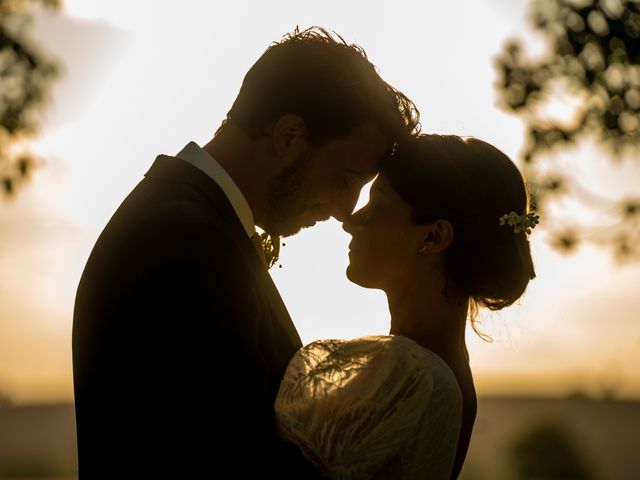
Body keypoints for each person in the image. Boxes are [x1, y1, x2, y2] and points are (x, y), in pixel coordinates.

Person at [72, 27, 419, 478]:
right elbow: (233, 455)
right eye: (344, 179)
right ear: (289, 136)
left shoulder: (184, 222)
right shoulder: (188, 243)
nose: (344, 210)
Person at [275, 134, 538, 479]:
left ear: (433, 237)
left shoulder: (412, 374)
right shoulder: (439, 368)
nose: (351, 221)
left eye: (378, 205)